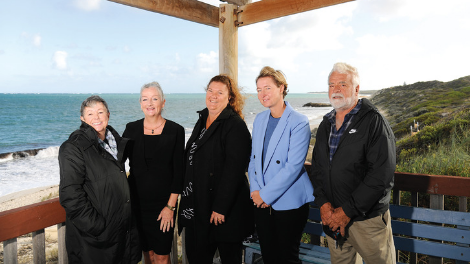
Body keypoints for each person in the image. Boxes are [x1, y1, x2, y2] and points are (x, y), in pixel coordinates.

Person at [310, 62, 396, 264]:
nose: (336, 89)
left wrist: (347, 211)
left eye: (342, 84)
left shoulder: (374, 122)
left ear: (357, 89)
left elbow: (381, 175)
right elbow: (318, 169)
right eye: (331, 85)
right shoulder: (325, 124)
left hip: (367, 222)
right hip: (333, 221)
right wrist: (323, 204)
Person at [178, 74, 254, 264]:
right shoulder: (202, 119)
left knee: (229, 259)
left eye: (220, 92)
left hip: (224, 212)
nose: (213, 95)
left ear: (229, 97)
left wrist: (220, 208)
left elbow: (234, 171)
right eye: (210, 90)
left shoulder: (235, 125)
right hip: (198, 208)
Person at [59, 95, 141, 264]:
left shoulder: (115, 144)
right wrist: (98, 227)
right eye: (90, 114)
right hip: (95, 240)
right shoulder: (73, 147)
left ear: (108, 115)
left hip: (121, 234)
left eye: (100, 112)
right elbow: (70, 195)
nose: (96, 117)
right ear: (82, 118)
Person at [248, 66, 315, 264]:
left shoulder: (299, 122)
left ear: (281, 88)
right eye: (259, 90)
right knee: (268, 257)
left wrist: (265, 195)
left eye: (267, 88)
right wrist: (255, 191)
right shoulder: (259, 119)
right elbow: (253, 160)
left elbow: (293, 167)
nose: (262, 94)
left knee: (287, 258)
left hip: (289, 203)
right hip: (260, 202)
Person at [123, 82, 184, 264]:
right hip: (137, 205)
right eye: (145, 99)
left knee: (162, 256)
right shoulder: (131, 129)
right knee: (147, 254)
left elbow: (179, 172)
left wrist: (170, 207)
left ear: (163, 103)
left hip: (164, 205)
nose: (150, 103)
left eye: (154, 98)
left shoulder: (176, 131)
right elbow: (116, 162)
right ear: (140, 104)